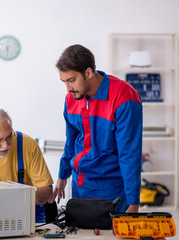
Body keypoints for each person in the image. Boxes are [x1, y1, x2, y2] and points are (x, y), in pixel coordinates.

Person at [49, 44, 142, 213]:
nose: (68, 88)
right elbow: (71, 141)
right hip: (79, 184)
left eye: (71, 80)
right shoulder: (72, 98)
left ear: (89, 73)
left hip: (111, 188)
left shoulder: (124, 97)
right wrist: (63, 175)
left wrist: (134, 202)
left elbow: (130, 154)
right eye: (64, 82)